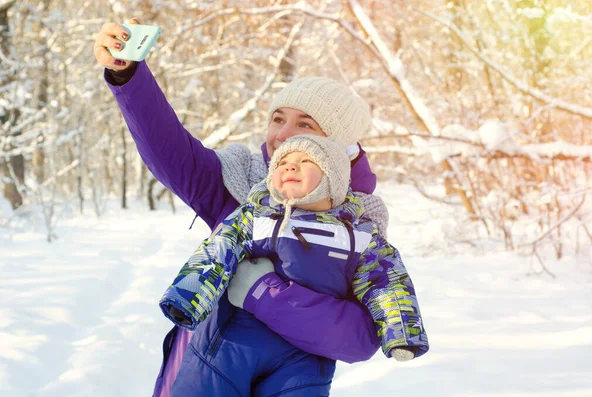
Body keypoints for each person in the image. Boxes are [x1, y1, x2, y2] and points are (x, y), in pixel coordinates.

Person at [94, 19, 395, 396]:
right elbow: (168, 149)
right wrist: (129, 77)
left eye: (305, 124)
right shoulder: (239, 185)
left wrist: (262, 293)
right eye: (277, 118)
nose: (282, 134)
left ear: (338, 147)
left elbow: (358, 338)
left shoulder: (359, 223)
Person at [159, 135, 429, 396]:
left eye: (306, 161)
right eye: (282, 162)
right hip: (231, 343)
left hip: (304, 360)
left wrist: (401, 330)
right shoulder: (256, 215)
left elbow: (386, 280)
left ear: (333, 177)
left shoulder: (359, 234)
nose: (290, 166)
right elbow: (219, 249)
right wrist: (188, 295)